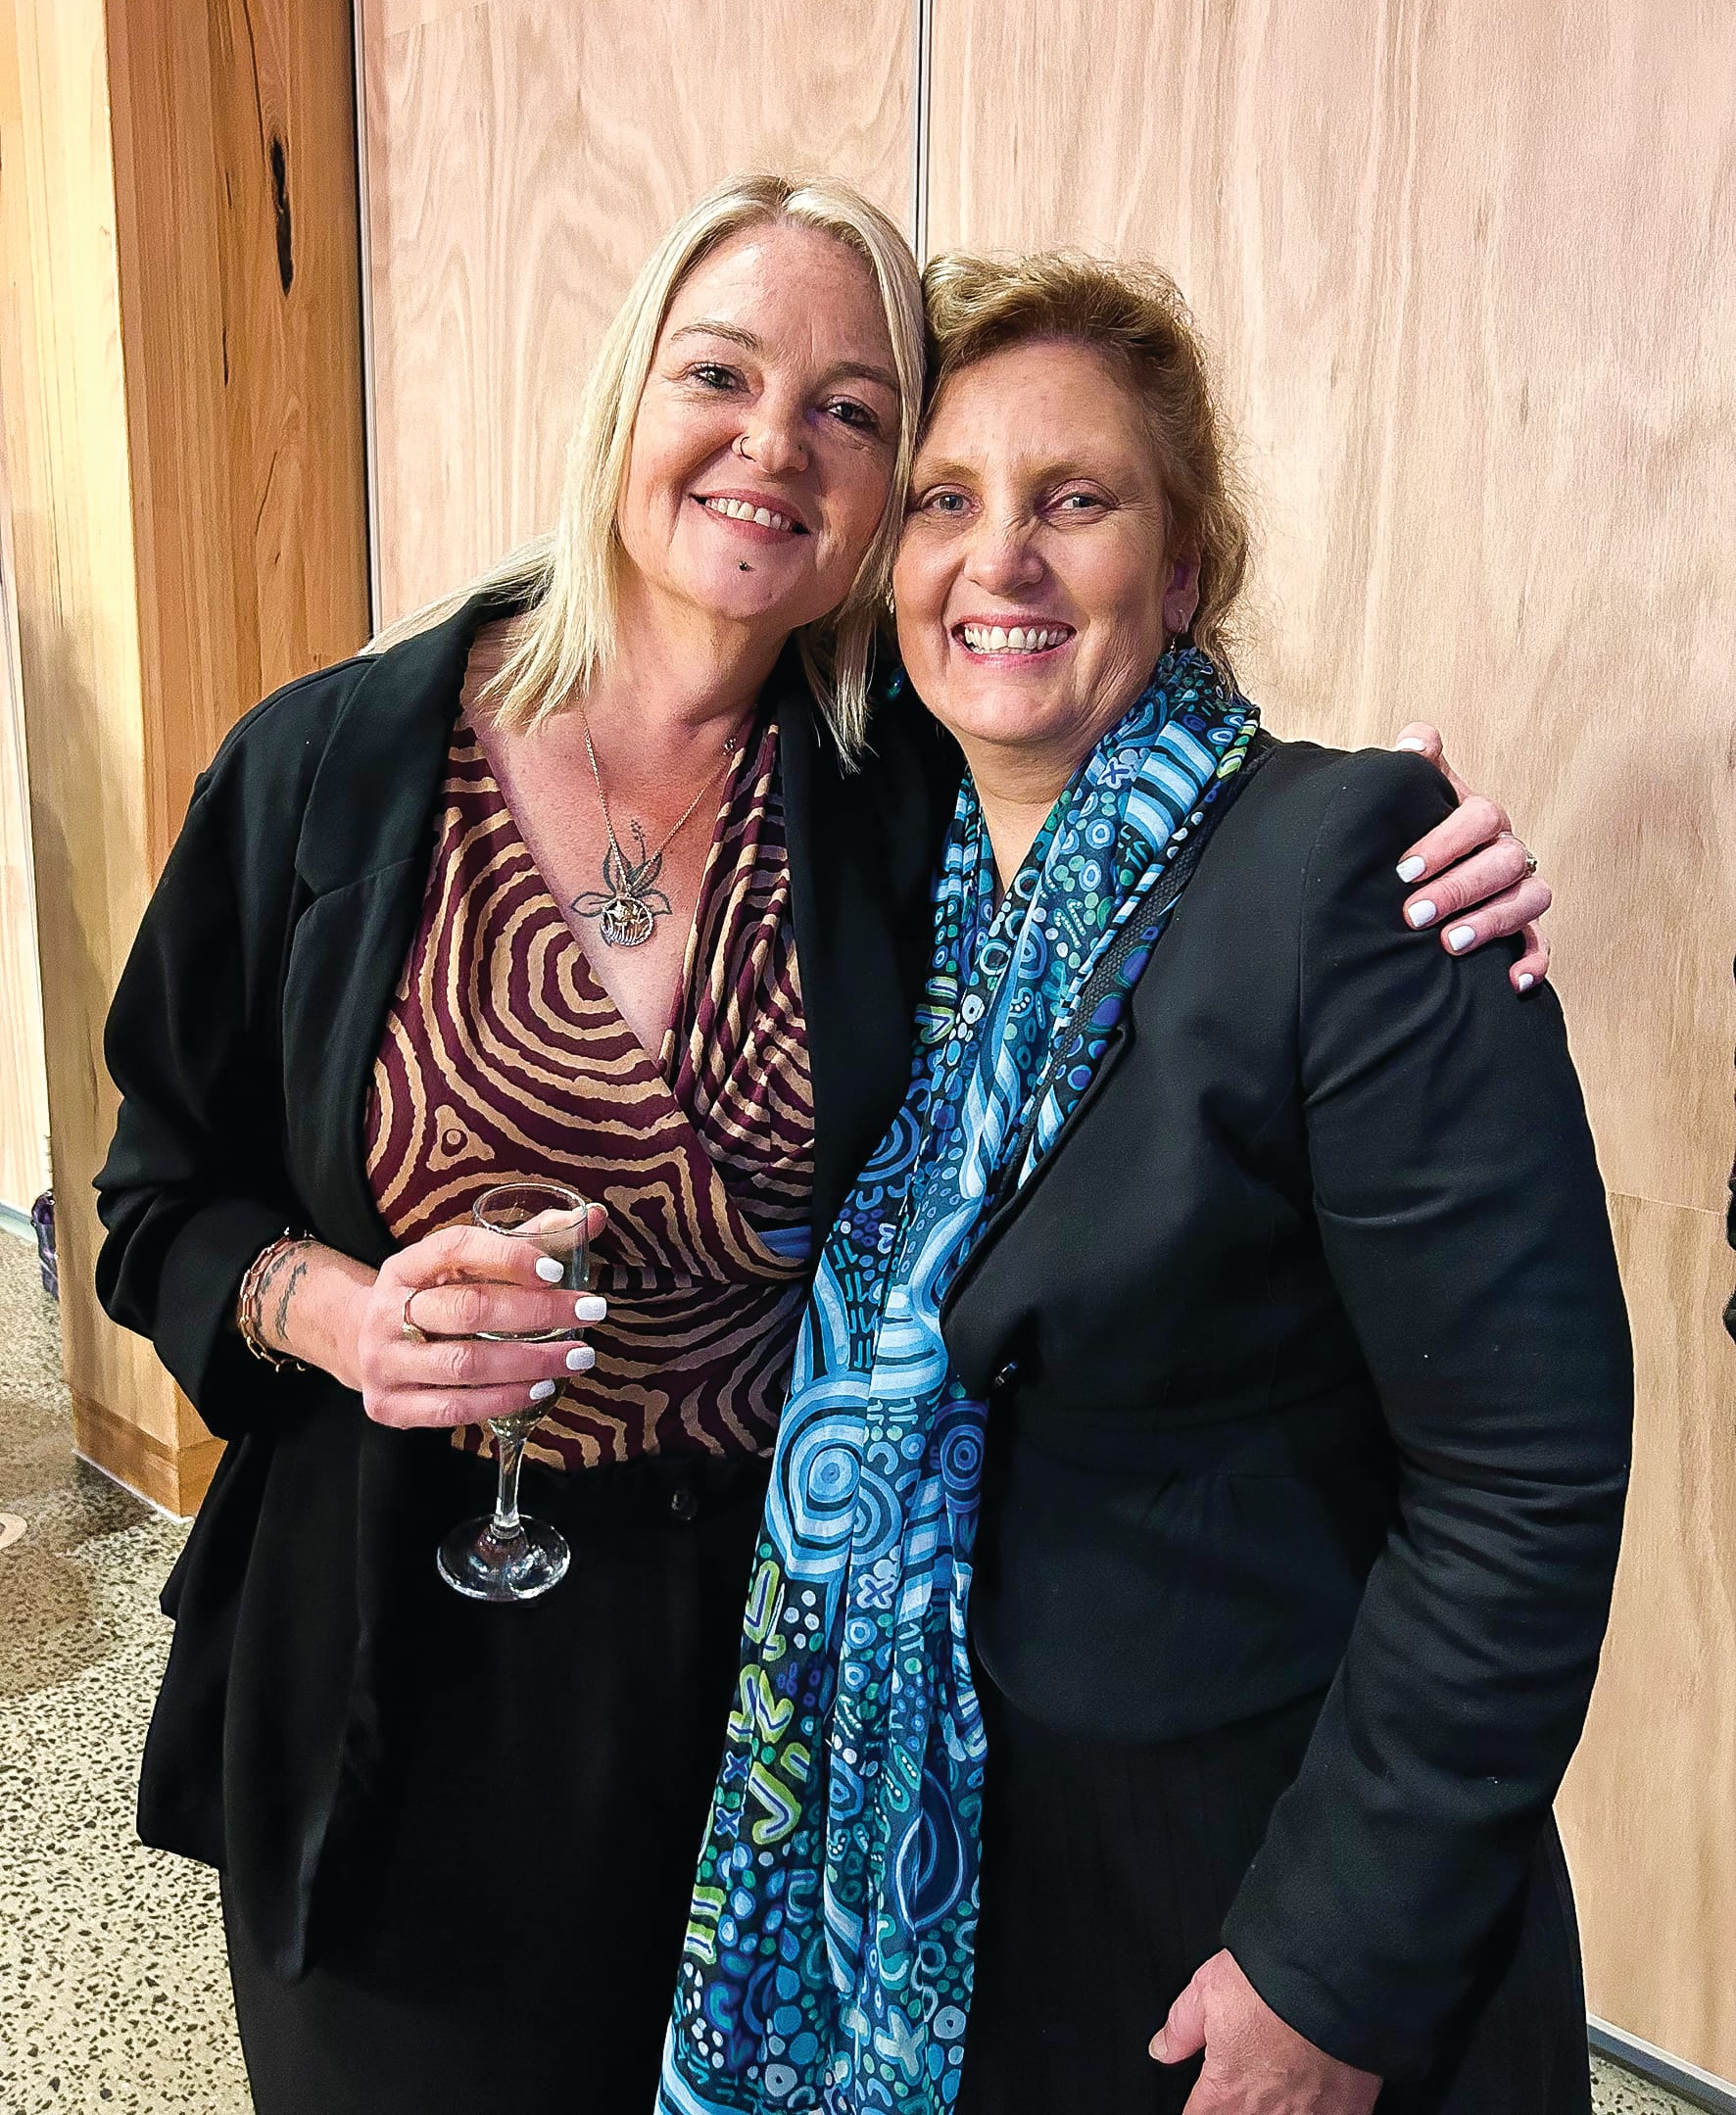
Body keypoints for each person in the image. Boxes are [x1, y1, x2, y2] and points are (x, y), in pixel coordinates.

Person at [95, 180, 1550, 2115]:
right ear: (629, 393)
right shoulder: (328, 770)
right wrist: (340, 1313)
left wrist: (1402, 849)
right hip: (400, 1676)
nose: (774, 443)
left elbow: (1138, 817)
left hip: (770, 1708)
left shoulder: (890, 787)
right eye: (720, 373)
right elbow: (155, 1198)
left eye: (853, 411)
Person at [659, 252, 1630, 2115]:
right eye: (945, 501)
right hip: (983, 1910)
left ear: (1183, 572)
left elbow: (1525, 1480)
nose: (1001, 558)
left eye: (1076, 500)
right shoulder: (902, 898)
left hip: (1263, 1916)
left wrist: (1330, 1972)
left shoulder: (1346, 872)